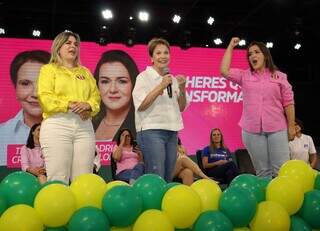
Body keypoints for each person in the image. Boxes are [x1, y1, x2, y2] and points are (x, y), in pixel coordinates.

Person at [220, 37, 296, 178]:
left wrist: (291, 126)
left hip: (277, 128)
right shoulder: (244, 75)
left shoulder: (280, 77)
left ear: (265, 55)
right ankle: (267, 200)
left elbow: (289, 103)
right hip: (251, 131)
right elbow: (224, 71)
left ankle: (281, 199)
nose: (253, 56)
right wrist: (231, 46)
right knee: (262, 172)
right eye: (250, 54)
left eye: (256, 52)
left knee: (281, 170)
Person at [37, 31, 101, 184]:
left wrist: (89, 105)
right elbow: (45, 98)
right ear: (58, 47)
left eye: (76, 44)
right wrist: (70, 105)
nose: (73, 46)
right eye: (68, 43)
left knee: (84, 180)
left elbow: (96, 97)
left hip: (84, 126)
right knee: (58, 178)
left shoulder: (85, 72)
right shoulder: (48, 70)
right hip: (57, 124)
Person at [132, 37, 187, 182]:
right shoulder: (143, 77)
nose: (163, 56)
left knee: (168, 176)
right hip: (151, 131)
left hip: (172, 131)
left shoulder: (173, 79)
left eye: (166, 53)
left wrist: (182, 88)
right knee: (156, 176)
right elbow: (141, 105)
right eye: (158, 53)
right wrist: (161, 86)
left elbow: (181, 107)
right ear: (151, 58)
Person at [0, 50, 50, 166]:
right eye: (25, 83)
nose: (35, 94)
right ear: (15, 88)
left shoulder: (68, 132)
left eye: (43, 84)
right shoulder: (2, 133)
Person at [93, 50, 139, 141]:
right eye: (105, 81)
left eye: (122, 81)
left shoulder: (144, 125)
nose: (113, 90)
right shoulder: (87, 123)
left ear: (134, 84)